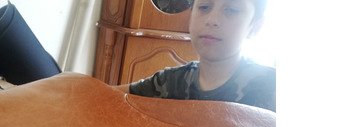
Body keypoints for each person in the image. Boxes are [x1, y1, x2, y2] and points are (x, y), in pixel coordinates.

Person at [116, 0, 275, 112]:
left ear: (255, 26)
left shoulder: (272, 88)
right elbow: (110, 96)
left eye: (231, 10)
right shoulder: (170, 82)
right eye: (204, 7)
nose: (212, 20)